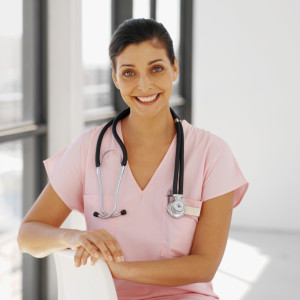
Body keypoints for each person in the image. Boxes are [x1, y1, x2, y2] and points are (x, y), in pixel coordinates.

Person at [18, 18, 249, 299]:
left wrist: (119, 269)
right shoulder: (89, 148)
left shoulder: (212, 153)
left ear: (174, 68)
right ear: (115, 78)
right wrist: (73, 237)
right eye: (129, 73)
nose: (144, 84)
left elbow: (204, 266)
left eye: (157, 69)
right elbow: (27, 235)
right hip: (104, 294)